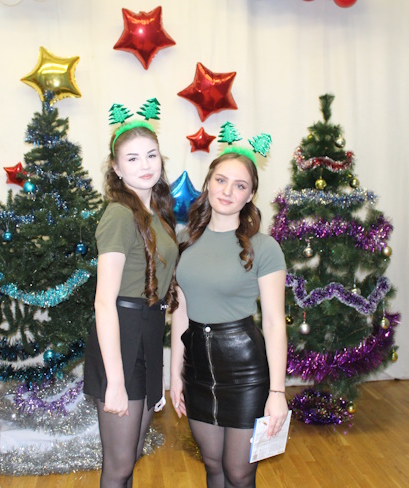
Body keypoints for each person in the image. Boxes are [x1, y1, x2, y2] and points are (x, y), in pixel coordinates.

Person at [169, 150, 288, 487]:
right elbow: (180, 312)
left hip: (245, 371)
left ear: (250, 195)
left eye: (240, 185)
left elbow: (274, 323)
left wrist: (277, 392)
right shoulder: (184, 241)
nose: (227, 191)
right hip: (197, 369)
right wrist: (175, 374)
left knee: (238, 471)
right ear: (208, 182)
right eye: (221, 180)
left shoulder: (264, 248)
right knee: (212, 465)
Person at [83, 117, 179, 487]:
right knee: (119, 464)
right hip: (122, 337)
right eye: (133, 158)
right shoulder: (119, 215)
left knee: (131, 456)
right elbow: (104, 302)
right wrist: (115, 381)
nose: (145, 165)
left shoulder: (155, 213)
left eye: (151, 155)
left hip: (147, 332)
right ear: (117, 168)